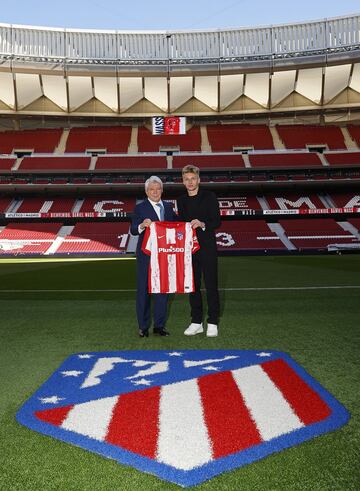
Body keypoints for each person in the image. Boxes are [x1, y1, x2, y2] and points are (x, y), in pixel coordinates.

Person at [176, 165, 221, 337]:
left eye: (193, 178)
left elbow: (216, 221)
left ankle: (213, 321)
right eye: (186, 179)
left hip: (207, 247)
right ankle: (196, 321)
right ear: (183, 181)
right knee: (192, 286)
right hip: (190, 249)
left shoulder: (209, 196)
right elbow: (181, 223)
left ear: (198, 180)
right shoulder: (181, 200)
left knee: (211, 285)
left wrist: (202, 224)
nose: (190, 182)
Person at [131, 176, 177, 338]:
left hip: (165, 255)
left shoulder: (169, 207)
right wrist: (142, 225)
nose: (155, 192)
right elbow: (133, 230)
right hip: (146, 255)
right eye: (152, 189)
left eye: (158, 189)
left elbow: (177, 226)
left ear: (162, 190)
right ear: (146, 191)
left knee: (162, 291)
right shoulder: (140, 208)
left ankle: (159, 326)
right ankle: (143, 327)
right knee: (143, 291)